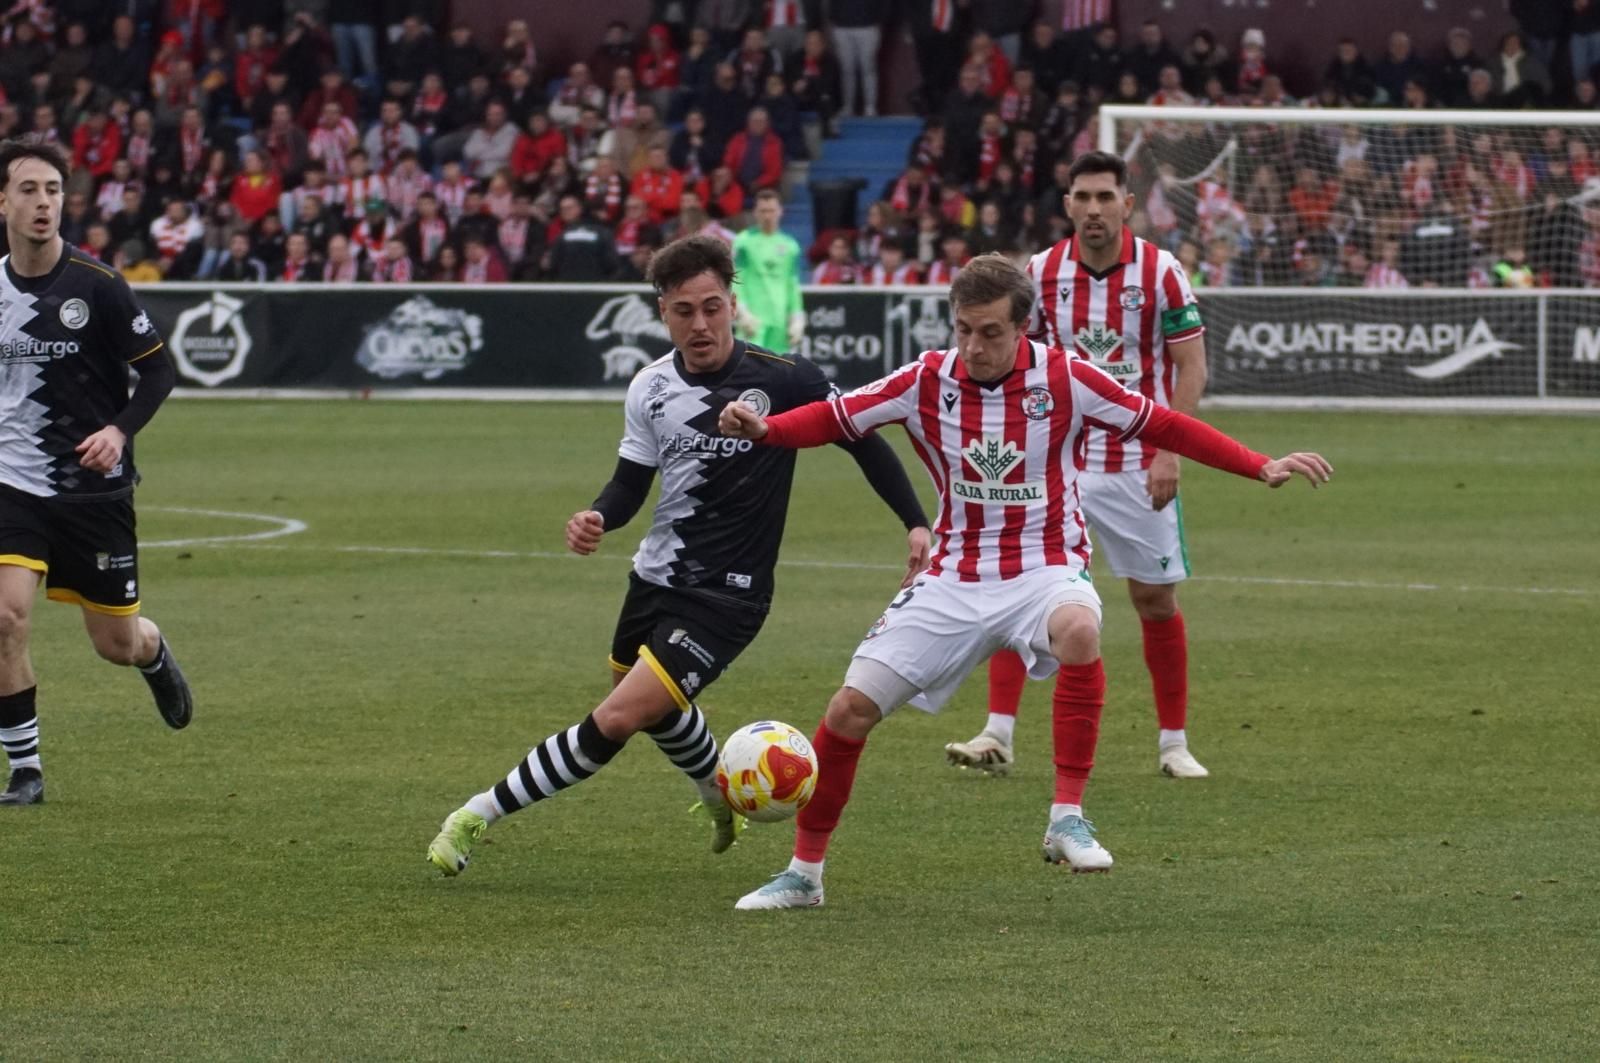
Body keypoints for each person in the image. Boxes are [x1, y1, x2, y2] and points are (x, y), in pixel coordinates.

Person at [716, 254, 1332, 908]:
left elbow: (1164, 423)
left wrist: (1258, 463)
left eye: (990, 332)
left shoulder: (1067, 378)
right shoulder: (926, 378)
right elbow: (838, 417)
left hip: (1045, 566)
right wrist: (769, 430)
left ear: (1024, 326)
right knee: (848, 710)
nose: (973, 347)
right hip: (954, 574)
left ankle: (1066, 814)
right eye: (963, 330)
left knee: (1080, 627)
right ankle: (805, 874)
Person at [426, 235, 931, 876]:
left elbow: (862, 439)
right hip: (654, 577)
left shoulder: (786, 377)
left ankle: (476, 815)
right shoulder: (651, 388)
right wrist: (598, 517)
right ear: (663, 312)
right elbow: (631, 482)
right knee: (652, 710)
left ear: (732, 303)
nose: (700, 324)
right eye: (684, 311)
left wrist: (915, 522)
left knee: (616, 717)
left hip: (730, 595)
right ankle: (719, 795)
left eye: (712, 307)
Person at [946, 151, 1217, 781]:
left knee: (1153, 599)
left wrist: (1169, 448)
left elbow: (1192, 366)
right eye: (1082, 197)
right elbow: (1011, 358)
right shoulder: (1038, 274)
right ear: (1067, 204)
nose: (1094, 209)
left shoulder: (1163, 273)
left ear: (1127, 203)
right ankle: (997, 733)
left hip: (1136, 461)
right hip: (1054, 462)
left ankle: (1173, 743)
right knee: (1019, 589)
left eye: (1105, 197)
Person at [0, 139, 193, 807]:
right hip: (14, 481)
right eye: (28, 189)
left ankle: (154, 652)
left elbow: (160, 372)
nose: (43, 202)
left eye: (53, 190)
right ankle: (25, 769)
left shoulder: (99, 286)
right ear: (3, 202)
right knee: (5, 616)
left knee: (115, 642)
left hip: (93, 491)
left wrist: (117, 430)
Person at [731, 189, 805, 353]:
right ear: (755, 213)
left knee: (779, 372)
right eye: (763, 211)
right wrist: (741, 312)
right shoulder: (744, 242)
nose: (767, 216)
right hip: (753, 322)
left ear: (780, 212)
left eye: (771, 211)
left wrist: (797, 317)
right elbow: (736, 279)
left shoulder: (790, 245)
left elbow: (792, 284)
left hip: (780, 323)